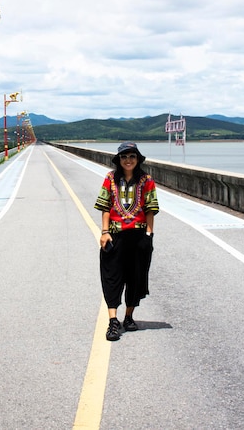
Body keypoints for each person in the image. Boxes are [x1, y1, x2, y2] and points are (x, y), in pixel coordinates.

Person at [94, 142, 159, 341]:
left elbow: (150, 209)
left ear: (138, 158)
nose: (128, 160)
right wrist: (105, 232)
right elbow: (105, 206)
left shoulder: (146, 180)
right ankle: (113, 321)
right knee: (112, 277)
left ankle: (129, 317)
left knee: (135, 278)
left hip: (138, 237)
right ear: (118, 160)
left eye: (132, 156)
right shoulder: (110, 178)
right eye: (124, 157)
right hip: (115, 236)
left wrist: (149, 235)